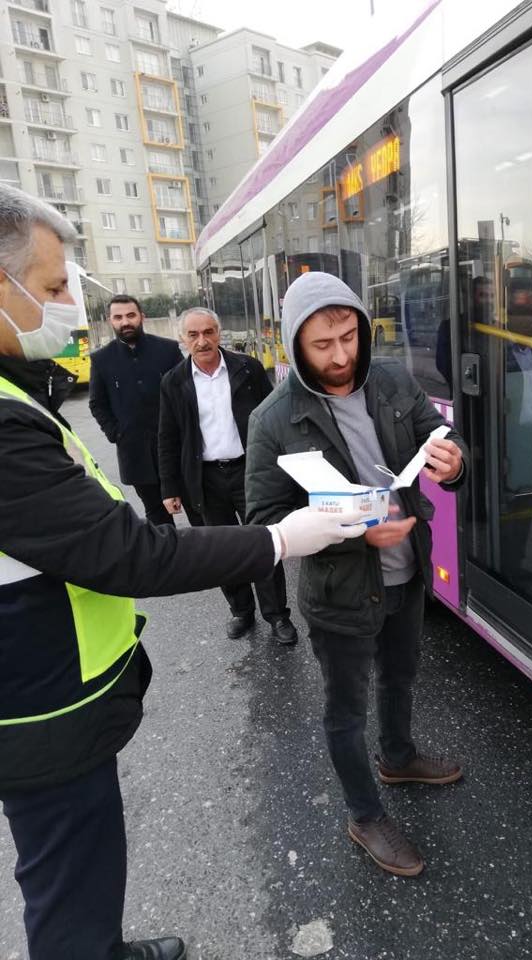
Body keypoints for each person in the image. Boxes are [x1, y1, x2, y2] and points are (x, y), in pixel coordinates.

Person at [0, 184, 366, 960]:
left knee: (84, 861)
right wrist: (278, 540)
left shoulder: (18, 392)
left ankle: (104, 948)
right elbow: (130, 552)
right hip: (33, 709)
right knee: (67, 871)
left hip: (44, 696)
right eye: (54, 287)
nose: (72, 305)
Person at [245, 271, 469, 877]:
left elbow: (438, 440)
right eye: (323, 344)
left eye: (349, 336)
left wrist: (452, 464)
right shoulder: (273, 419)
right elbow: (264, 520)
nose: (342, 355)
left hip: (408, 571)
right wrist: (355, 529)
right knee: (346, 709)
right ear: (294, 342)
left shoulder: (392, 379)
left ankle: (398, 756)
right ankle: (365, 815)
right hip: (340, 591)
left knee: (401, 676)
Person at [158, 307, 298, 645]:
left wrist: (283, 468)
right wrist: (170, 487)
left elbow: (274, 418)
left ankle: (277, 615)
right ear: (183, 339)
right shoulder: (173, 381)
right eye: (193, 335)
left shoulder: (247, 368)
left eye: (209, 332)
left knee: (264, 544)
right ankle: (241, 612)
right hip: (204, 479)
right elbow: (167, 437)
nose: (202, 341)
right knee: (220, 552)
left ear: (219, 333)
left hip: (250, 472)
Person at [89, 295, 201, 527]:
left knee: (199, 511)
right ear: (110, 321)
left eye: (130, 315)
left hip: (179, 449)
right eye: (118, 317)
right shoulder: (101, 359)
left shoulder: (168, 349)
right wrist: (117, 433)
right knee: (158, 520)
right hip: (137, 455)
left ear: (142, 317)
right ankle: (170, 563)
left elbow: (189, 390)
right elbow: (97, 403)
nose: (125, 322)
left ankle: (210, 560)